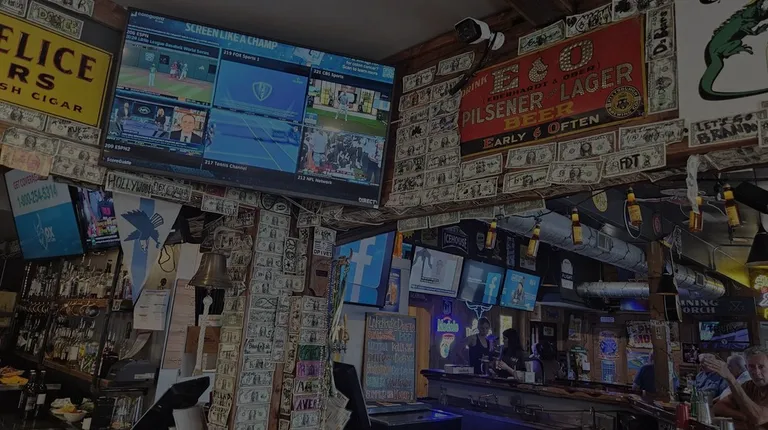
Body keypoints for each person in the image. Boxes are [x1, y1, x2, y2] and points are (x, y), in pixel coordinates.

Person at [705, 346, 768, 429]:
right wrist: (744, 416)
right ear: (746, 368)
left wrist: (731, 379)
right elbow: (718, 407)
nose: (756, 372)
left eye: (761, 367)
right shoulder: (748, 385)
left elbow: (758, 418)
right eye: (751, 367)